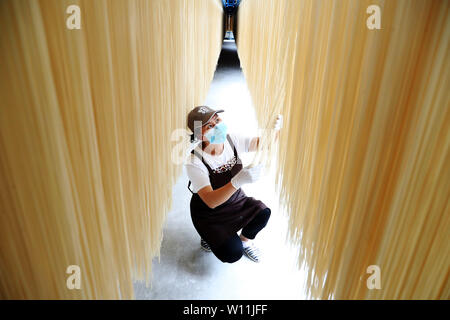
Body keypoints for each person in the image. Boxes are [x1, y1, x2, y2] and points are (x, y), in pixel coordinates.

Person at [184, 105, 282, 263]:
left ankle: (244, 241)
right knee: (232, 253)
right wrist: (237, 181)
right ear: (199, 134)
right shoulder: (194, 161)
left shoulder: (232, 140)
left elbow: (263, 144)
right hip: (209, 214)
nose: (217, 126)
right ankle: (207, 236)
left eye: (217, 119)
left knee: (263, 212)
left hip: (235, 200)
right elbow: (211, 200)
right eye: (209, 126)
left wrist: (275, 131)